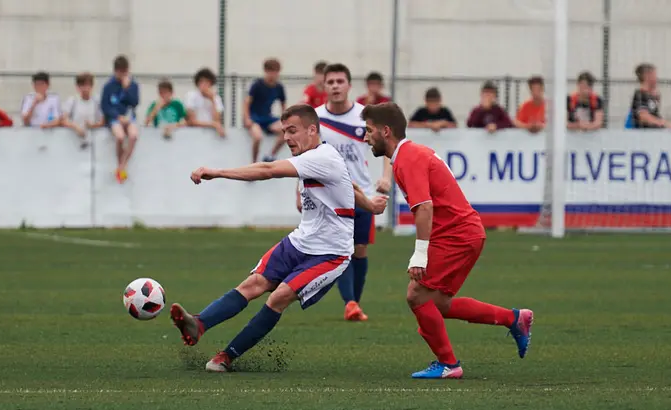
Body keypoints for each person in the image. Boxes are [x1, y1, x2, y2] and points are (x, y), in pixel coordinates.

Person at [171, 104, 388, 372]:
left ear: (312, 130)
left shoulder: (321, 158)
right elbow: (349, 185)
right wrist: (371, 205)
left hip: (331, 254)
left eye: (292, 130)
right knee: (253, 284)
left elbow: (268, 169)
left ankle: (226, 356)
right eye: (284, 131)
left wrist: (217, 172)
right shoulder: (322, 155)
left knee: (279, 296)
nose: (286, 137)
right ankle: (199, 323)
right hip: (301, 241)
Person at [361, 102, 533, 379]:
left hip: (457, 235)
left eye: (368, 131)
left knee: (416, 295)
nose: (365, 137)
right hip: (462, 232)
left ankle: (449, 364)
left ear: (386, 131)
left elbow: (425, 208)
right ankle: (514, 319)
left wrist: (420, 255)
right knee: (437, 303)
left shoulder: (409, 158)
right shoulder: (409, 155)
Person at [314, 63, 393, 322]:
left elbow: (388, 146)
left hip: (362, 194)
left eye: (340, 81)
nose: (335, 86)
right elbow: (305, 156)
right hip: (330, 196)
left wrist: (385, 177)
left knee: (360, 250)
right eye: (331, 82)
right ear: (324, 86)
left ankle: (354, 304)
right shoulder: (315, 119)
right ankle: (350, 303)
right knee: (343, 249)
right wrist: (298, 189)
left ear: (349, 85)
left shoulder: (365, 116)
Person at [101, 55, 140, 184]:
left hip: (129, 118)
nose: (122, 75)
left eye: (124, 72)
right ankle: (120, 165)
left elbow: (134, 102)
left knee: (133, 136)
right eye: (120, 72)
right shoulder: (108, 86)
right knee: (120, 137)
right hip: (115, 118)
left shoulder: (133, 85)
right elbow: (105, 106)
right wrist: (117, 117)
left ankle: (122, 166)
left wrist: (127, 88)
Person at [244, 58, 286, 163]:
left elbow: (283, 105)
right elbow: (247, 103)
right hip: (255, 118)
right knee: (258, 137)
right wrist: (247, 118)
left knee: (287, 130)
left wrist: (285, 119)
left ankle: (271, 155)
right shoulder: (257, 85)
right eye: (270, 71)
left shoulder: (279, 87)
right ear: (265, 71)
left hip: (267, 118)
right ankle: (254, 162)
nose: (273, 75)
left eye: (275, 72)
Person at [62, 73, 103, 149]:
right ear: (77, 87)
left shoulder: (97, 101)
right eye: (82, 85)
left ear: (92, 86)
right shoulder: (72, 100)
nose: (85, 88)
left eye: (87, 85)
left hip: (93, 142)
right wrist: (75, 127)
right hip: (73, 141)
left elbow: (103, 120)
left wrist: (93, 125)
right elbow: (64, 119)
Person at [185, 68, 226, 137]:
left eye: (207, 82)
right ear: (197, 83)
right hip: (194, 133)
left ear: (211, 83)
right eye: (201, 81)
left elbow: (217, 120)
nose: (204, 84)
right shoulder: (191, 96)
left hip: (211, 134)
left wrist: (212, 100)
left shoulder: (216, 98)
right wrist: (213, 124)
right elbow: (191, 121)